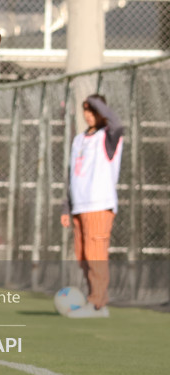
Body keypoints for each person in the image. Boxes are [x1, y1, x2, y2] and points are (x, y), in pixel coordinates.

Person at [60, 94, 124, 318]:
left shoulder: (109, 136)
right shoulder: (79, 139)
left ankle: (98, 304)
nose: (89, 114)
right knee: (84, 257)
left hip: (99, 204)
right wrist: (66, 207)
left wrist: (97, 102)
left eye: (93, 110)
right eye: (86, 110)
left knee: (96, 256)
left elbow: (117, 123)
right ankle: (92, 299)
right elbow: (71, 175)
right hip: (79, 206)